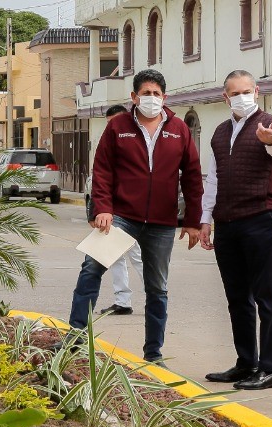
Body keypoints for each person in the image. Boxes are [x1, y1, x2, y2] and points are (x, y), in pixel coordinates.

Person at [64, 69, 204, 366]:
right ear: (134, 97)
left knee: (157, 288)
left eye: (156, 94)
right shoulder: (118, 127)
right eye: (146, 93)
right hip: (121, 216)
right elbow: (102, 169)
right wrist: (102, 207)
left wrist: (192, 220)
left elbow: (192, 176)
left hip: (162, 222)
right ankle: (74, 338)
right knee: (91, 270)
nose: (151, 98)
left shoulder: (179, 129)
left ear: (164, 98)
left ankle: (153, 353)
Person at [199, 70, 272, 390]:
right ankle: (245, 363)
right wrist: (205, 218)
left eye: (246, 91)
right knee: (237, 298)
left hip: (260, 219)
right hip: (226, 224)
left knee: (266, 297)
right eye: (234, 93)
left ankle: (270, 369)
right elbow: (213, 179)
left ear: (256, 90)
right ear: (225, 97)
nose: (241, 97)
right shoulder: (220, 132)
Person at [85, 104, 144, 317]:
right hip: (110, 215)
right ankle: (122, 301)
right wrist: (94, 212)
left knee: (139, 257)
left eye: (117, 121)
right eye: (110, 123)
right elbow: (99, 180)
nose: (114, 126)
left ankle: (155, 297)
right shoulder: (108, 142)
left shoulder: (137, 142)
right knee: (114, 258)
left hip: (132, 214)